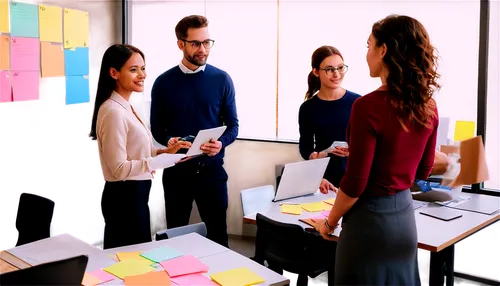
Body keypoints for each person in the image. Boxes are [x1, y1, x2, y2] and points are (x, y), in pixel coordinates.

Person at [316, 15, 440, 285]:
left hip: (368, 224)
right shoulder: (428, 105)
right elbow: (424, 169)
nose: (367, 53)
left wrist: (329, 223)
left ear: (383, 50)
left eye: (369, 45)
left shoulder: (367, 106)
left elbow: (356, 183)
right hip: (405, 221)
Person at [89, 44, 191, 249]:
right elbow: (118, 169)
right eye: (133, 69)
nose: (142, 75)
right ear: (114, 73)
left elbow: (136, 151)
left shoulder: (126, 106)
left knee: (137, 260)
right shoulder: (113, 112)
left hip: (135, 195)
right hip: (123, 198)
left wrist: (164, 151)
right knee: (127, 264)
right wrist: (158, 161)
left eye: (143, 68)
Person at [150, 15, 238, 248]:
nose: (203, 49)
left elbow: (233, 125)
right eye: (196, 43)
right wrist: (170, 140)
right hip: (177, 172)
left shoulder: (222, 79)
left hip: (212, 172)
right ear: (181, 44)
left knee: (219, 234)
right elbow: (157, 128)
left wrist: (221, 143)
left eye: (207, 42)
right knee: (175, 236)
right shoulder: (163, 82)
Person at [298, 46, 361, 188]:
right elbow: (305, 146)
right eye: (330, 69)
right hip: (323, 180)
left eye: (340, 68)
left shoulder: (358, 103)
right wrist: (312, 155)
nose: (337, 74)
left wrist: (352, 151)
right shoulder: (307, 108)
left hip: (354, 177)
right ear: (316, 71)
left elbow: (370, 143)